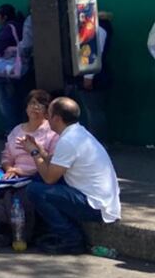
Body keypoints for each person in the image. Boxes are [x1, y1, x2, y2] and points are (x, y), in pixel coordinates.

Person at [20, 97, 121, 254]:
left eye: (49, 114)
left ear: (57, 118)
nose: (46, 118)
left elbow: (50, 178)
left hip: (95, 205)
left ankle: (71, 239)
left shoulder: (69, 140)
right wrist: (40, 151)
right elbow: (55, 165)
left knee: (35, 190)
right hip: (97, 198)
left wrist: (33, 153)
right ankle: (49, 229)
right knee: (38, 179)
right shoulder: (77, 133)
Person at [0, 90, 59, 245]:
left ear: (47, 110)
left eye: (40, 104)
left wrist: (22, 171)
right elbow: (6, 156)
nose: (35, 107)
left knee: (14, 196)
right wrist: (9, 168)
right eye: (32, 103)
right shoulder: (17, 130)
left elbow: (51, 162)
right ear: (26, 108)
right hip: (12, 175)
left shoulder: (51, 134)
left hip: (36, 176)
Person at [71, 13, 113, 143]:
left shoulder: (96, 29)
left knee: (93, 111)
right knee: (94, 110)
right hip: (96, 74)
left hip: (94, 76)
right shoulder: (102, 27)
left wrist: (88, 76)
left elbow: (93, 53)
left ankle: (98, 143)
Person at [0, 3, 26, 133]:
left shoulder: (8, 29)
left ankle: (12, 133)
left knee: (7, 105)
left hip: (5, 74)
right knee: (16, 102)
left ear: (3, 17)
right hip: (19, 71)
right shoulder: (20, 26)